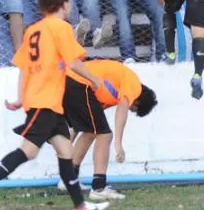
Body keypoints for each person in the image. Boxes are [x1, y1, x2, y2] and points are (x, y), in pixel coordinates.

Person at [0, 0, 108, 210]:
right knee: (28, 152)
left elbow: (24, 68)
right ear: (64, 4)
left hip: (45, 102)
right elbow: (73, 63)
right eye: (69, 2)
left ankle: (80, 208)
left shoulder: (33, 30)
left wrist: (22, 97)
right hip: (45, 101)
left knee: (66, 151)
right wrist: (94, 79)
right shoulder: (60, 28)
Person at [65, 60, 157, 202]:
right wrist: (118, 145)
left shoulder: (109, 94)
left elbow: (84, 120)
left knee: (91, 131)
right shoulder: (134, 85)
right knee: (105, 134)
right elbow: (122, 109)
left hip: (70, 81)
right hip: (79, 83)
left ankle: (69, 179)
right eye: (133, 110)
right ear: (138, 103)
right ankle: (98, 188)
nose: (130, 109)